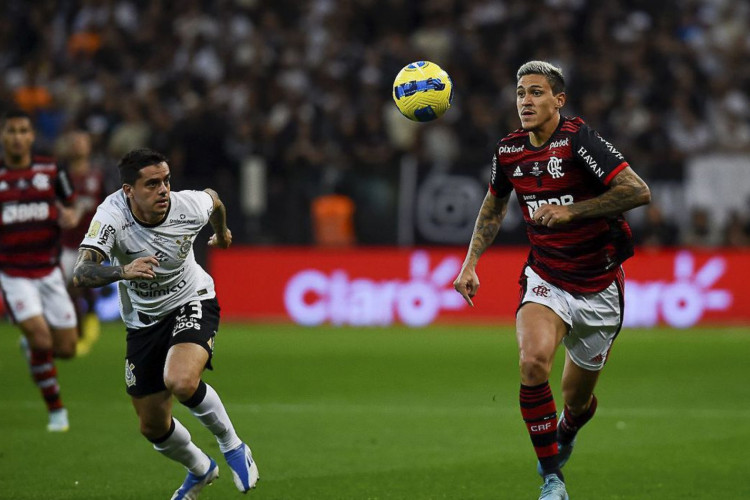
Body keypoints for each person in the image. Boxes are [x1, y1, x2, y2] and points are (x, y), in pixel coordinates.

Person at [453, 61, 651, 500]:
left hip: (599, 286)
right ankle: (552, 479)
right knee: (532, 362)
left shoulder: (579, 141)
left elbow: (638, 191)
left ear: (558, 100)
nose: (526, 100)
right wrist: (470, 264)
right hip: (546, 277)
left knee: (576, 402)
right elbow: (492, 206)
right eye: (521, 93)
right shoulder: (508, 152)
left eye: (537, 92)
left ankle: (568, 427)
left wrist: (572, 211)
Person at [72, 148, 258, 499]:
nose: (163, 190)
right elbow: (82, 272)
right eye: (152, 183)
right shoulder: (111, 216)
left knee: (181, 380)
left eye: (166, 181)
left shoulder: (186, 206)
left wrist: (223, 233)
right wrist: (123, 270)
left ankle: (233, 446)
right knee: (152, 424)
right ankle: (201, 470)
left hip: (192, 299)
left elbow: (214, 201)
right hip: (143, 320)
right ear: (129, 190)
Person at [0, 109, 84, 432]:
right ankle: (56, 411)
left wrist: (72, 216)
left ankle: (33, 349)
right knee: (39, 336)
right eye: (12, 131)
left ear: (32, 136)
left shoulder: (51, 170)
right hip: (13, 275)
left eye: (23, 130)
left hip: (48, 273)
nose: (18, 137)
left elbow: (72, 204)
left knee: (66, 348)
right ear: (4, 136)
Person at [58, 130, 106, 354]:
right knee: (66, 292)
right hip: (64, 244)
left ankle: (85, 329)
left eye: (82, 142)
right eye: (74, 142)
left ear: (89, 147)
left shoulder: (97, 176)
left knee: (75, 287)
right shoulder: (61, 177)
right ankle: (79, 329)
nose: (78, 146)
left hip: (90, 242)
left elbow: (109, 206)